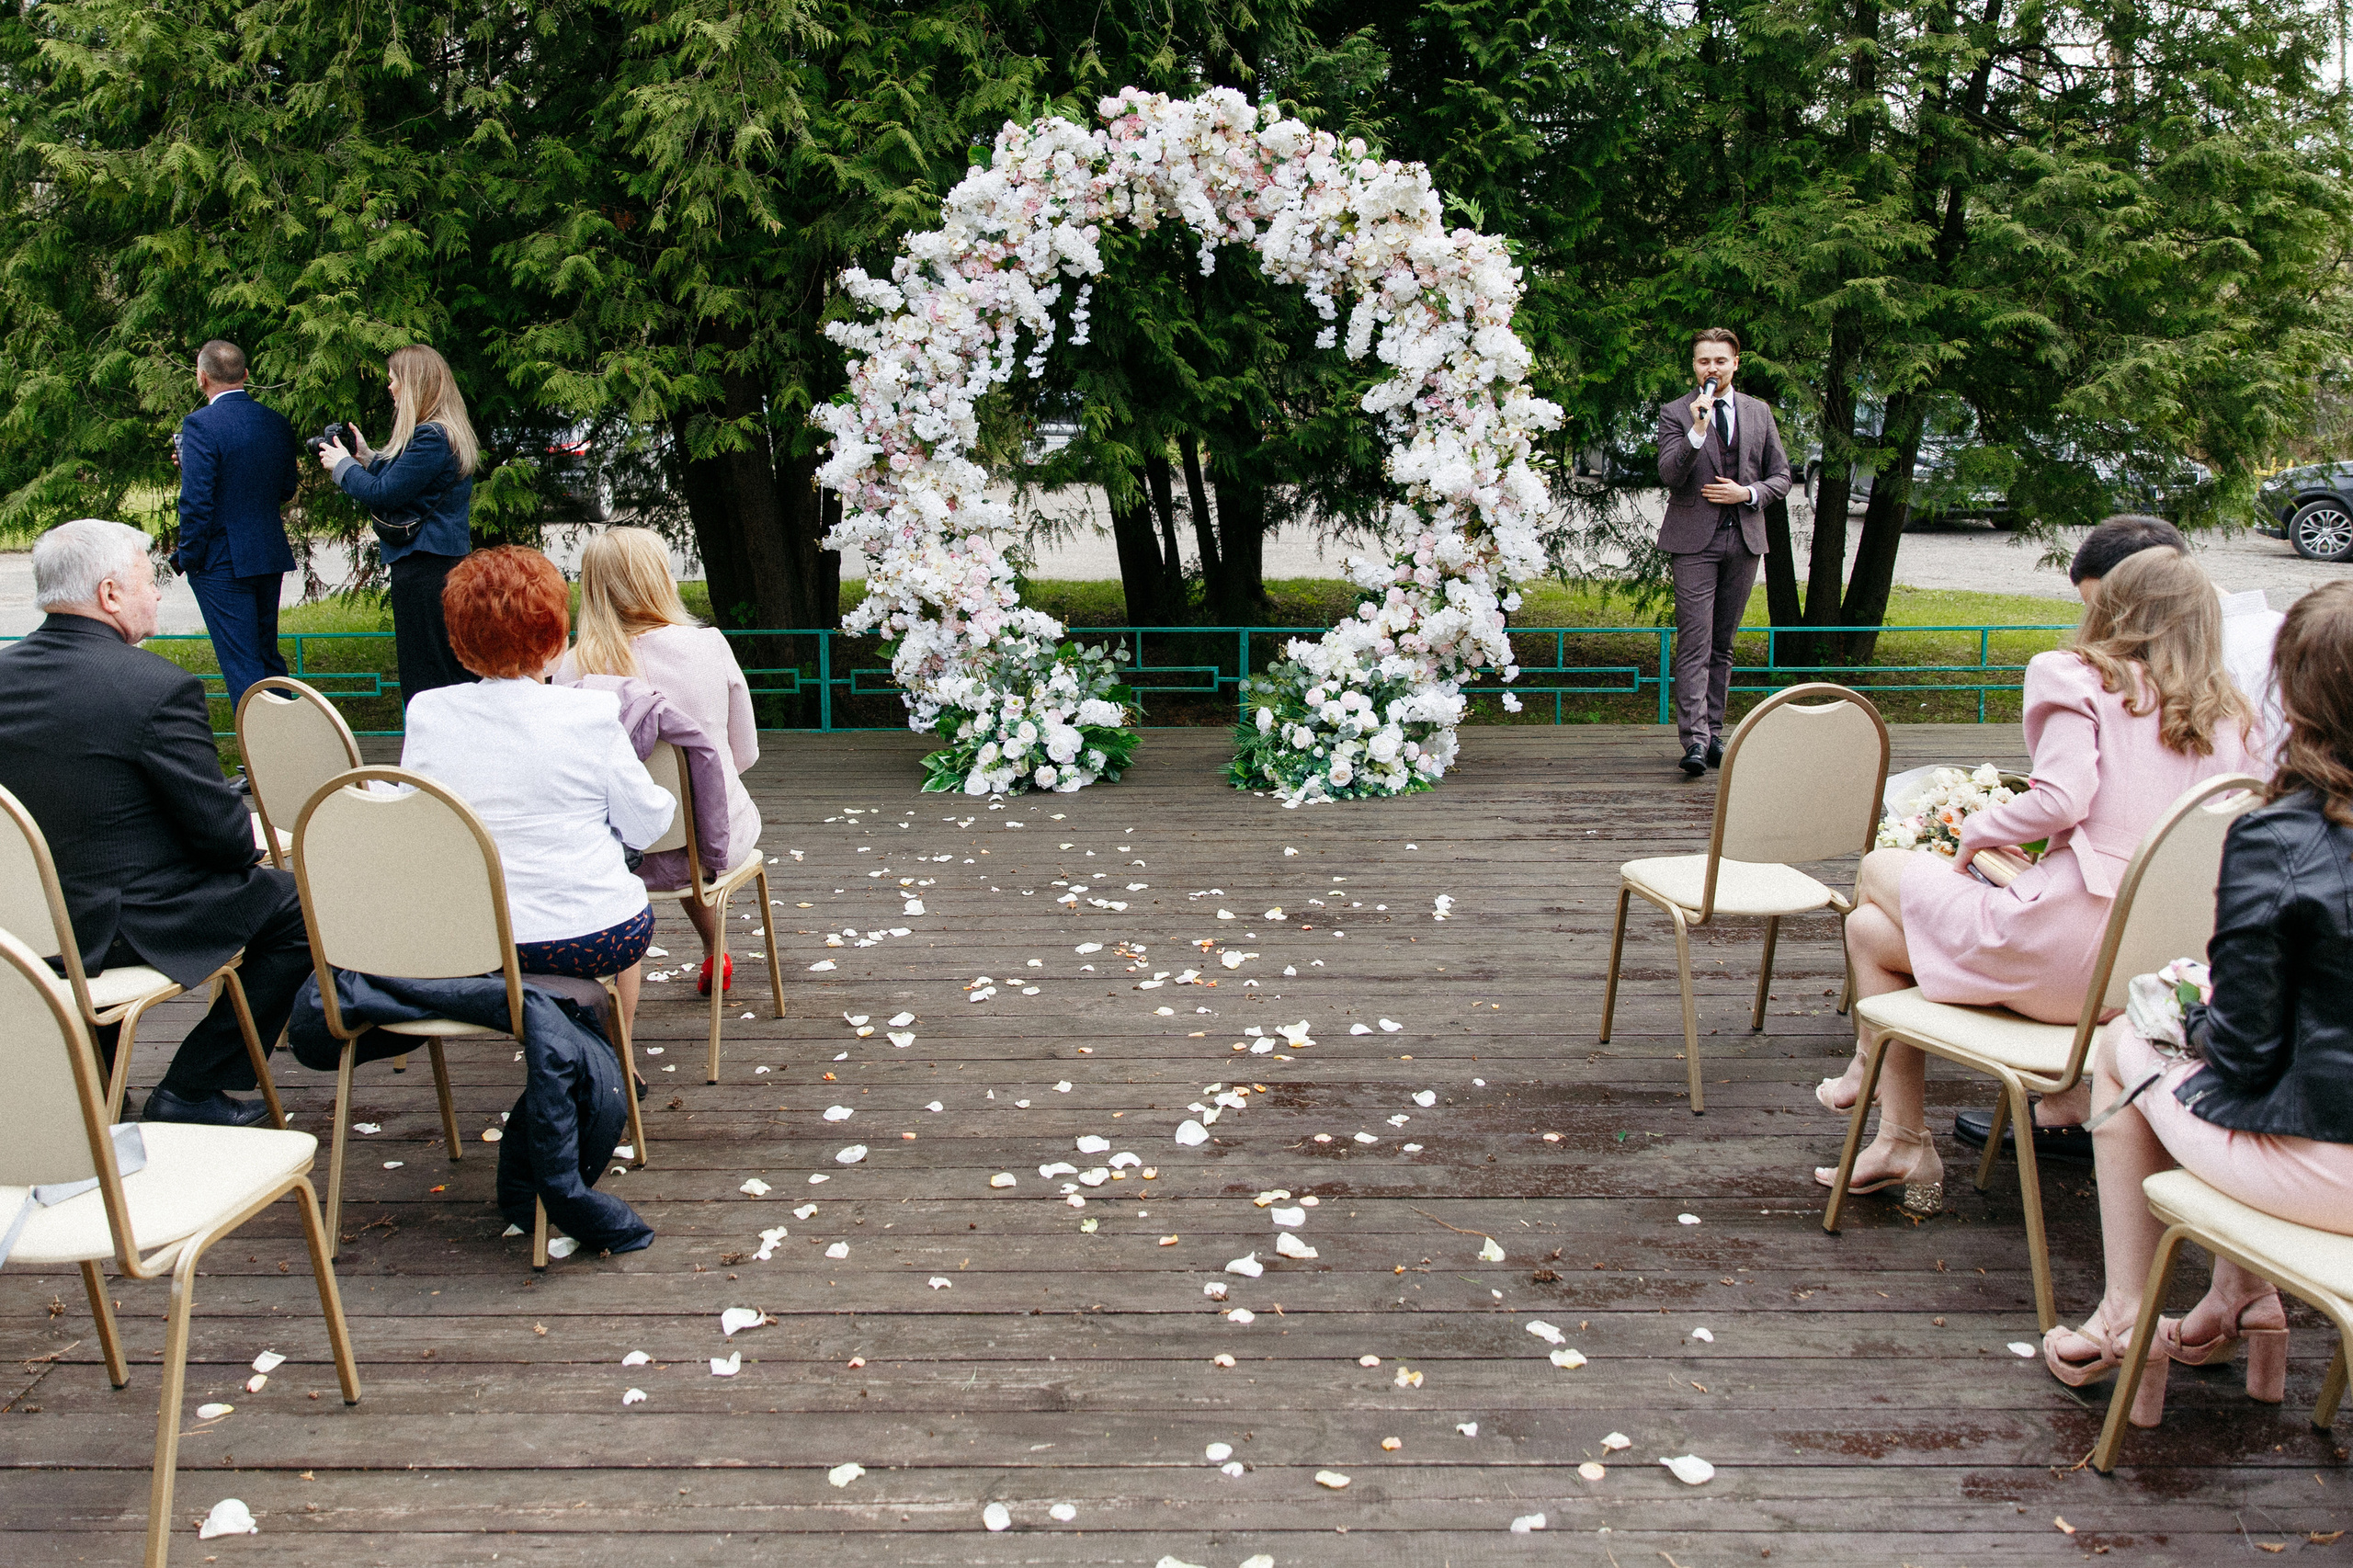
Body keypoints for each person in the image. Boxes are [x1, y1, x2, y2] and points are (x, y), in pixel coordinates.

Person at [1813, 548, 2258, 1212]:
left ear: (2114, 605)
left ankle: (1885, 1098)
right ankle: (1900, 1139)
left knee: (1878, 871)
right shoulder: (2233, 717)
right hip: (2156, 976)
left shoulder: (2074, 676)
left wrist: (1976, 832)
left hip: (2060, 957)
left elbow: (2061, 799)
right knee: (1871, 929)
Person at [2041, 578, 2353, 1412]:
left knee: (2122, 1048)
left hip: (2330, 1163)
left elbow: (2245, 1055)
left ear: (2294, 692)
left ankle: (2123, 1316)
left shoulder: (2282, 834)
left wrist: (2194, 1013)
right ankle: (2239, 1300)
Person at [1957, 516, 2287, 1164]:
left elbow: (2072, 798)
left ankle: (1907, 1122)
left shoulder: (2103, 677)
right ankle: (2073, 1099)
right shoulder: (2243, 678)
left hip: (2115, 924)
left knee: (1918, 894)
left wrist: (1984, 830)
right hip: (2216, 913)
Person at [0, 519, 312, 1125]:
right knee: (298, 906)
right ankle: (193, 1089)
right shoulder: (156, 688)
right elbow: (223, 841)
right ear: (110, 594)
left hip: (20, 926)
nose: (158, 596)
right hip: (118, 926)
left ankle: (98, 1088)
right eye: (149, 582)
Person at [399, 547, 674, 1027]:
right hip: (591, 936)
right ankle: (619, 1059)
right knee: (624, 892)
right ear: (555, 643)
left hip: (471, 937)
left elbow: (417, 821)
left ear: (459, 644)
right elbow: (647, 826)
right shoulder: (589, 713)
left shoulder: (429, 712)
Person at [552, 528, 761, 996]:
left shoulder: (569, 669)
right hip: (707, 845)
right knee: (688, 827)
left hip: (610, 855)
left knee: (656, 831)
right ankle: (715, 951)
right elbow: (742, 754)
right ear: (659, 578)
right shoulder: (709, 647)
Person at [1654, 327, 1792, 777]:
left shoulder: (1759, 412)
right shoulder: (1677, 412)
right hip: (1694, 542)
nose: (1711, 368)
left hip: (1745, 539)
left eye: (1719, 361)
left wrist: (1747, 494)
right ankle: (1693, 741)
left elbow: (1782, 477)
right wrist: (1697, 429)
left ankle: (1714, 735)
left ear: (1736, 363)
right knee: (1696, 641)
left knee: (1724, 644)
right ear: (1694, 366)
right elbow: (1671, 474)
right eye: (1702, 361)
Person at [318, 345, 477, 707]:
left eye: (394, 380)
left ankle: (433, 755)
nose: (390, 388)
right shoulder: (437, 435)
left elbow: (385, 494)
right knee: (436, 670)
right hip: (431, 566)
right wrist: (366, 458)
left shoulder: (432, 437)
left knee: (428, 677)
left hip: (426, 569)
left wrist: (343, 466)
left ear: (414, 384)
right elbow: (410, 485)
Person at [174, 339, 300, 710]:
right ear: (245, 375)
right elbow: (285, 489)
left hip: (221, 560)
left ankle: (261, 766)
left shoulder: (200, 425)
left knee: (242, 667)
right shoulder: (275, 422)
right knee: (268, 658)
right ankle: (288, 752)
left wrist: (189, 557)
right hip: (266, 551)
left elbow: (196, 503)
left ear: (202, 378)